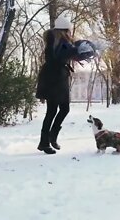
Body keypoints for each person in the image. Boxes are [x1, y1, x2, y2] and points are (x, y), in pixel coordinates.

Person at [35, 16, 95, 154]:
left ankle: (52, 136)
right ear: (64, 30)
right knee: (51, 111)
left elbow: (72, 54)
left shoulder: (64, 42)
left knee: (64, 109)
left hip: (60, 79)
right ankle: (44, 142)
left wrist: (87, 51)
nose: (70, 33)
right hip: (52, 79)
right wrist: (75, 51)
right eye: (69, 30)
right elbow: (56, 58)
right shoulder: (53, 41)